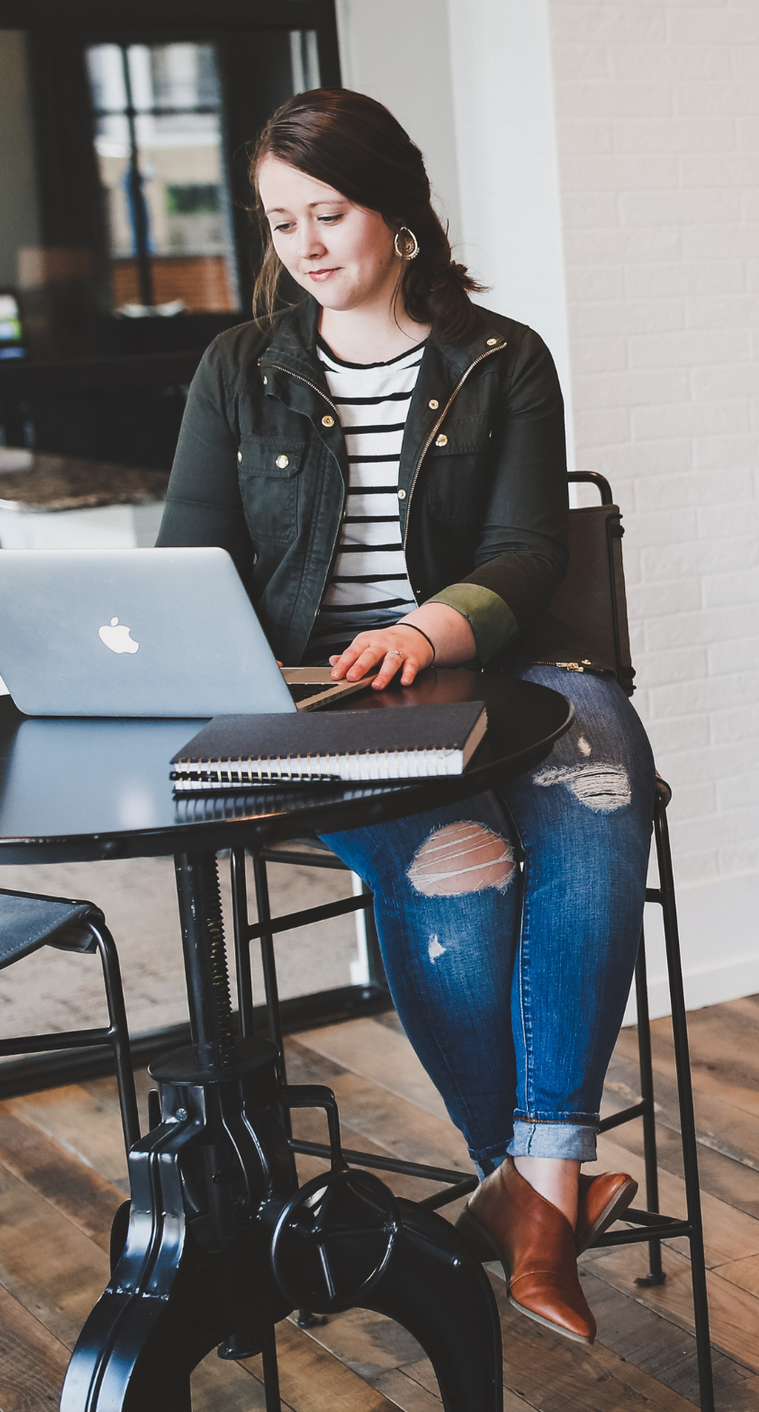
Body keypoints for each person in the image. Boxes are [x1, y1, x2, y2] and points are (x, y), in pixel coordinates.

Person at [157, 87, 655, 1345]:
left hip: (514, 670)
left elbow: (529, 550)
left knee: (601, 791)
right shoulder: (238, 370)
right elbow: (189, 561)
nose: (306, 245)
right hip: (323, 702)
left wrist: (428, 630)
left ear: (399, 210)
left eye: (329, 213)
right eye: (281, 222)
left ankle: (532, 1187)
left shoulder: (501, 359)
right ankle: (535, 1187)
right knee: (463, 871)